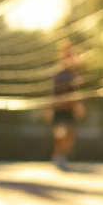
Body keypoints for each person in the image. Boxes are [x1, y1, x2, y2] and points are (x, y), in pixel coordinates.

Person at [44, 40, 85, 169]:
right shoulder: (58, 73)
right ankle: (58, 156)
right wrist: (49, 108)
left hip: (69, 108)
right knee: (60, 133)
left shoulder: (73, 73)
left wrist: (78, 105)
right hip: (60, 108)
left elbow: (75, 92)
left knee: (70, 133)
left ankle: (62, 156)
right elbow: (53, 92)